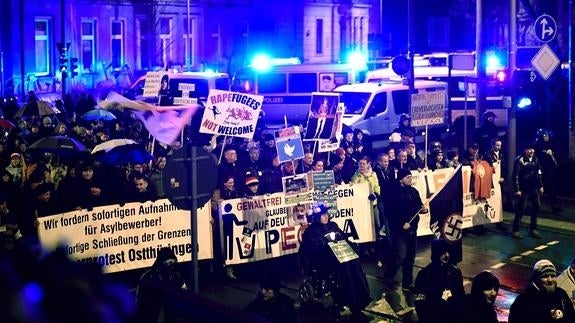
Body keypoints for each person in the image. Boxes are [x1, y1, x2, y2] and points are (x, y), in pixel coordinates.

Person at [299, 203, 371, 316]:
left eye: (327, 214)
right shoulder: (312, 231)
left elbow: (344, 239)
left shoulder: (333, 225)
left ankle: (363, 296)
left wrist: (354, 246)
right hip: (323, 261)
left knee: (355, 262)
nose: (326, 216)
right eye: (323, 215)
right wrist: (327, 247)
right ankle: (351, 299)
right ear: (318, 217)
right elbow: (312, 250)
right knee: (345, 267)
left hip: (340, 256)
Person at [384, 168, 427, 291]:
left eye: (411, 177)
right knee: (400, 255)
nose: (410, 179)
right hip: (399, 230)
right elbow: (390, 212)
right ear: (401, 179)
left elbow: (419, 205)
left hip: (412, 229)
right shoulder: (394, 193)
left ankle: (407, 282)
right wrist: (402, 223)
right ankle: (389, 276)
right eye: (408, 177)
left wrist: (424, 210)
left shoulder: (413, 191)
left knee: (410, 256)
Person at [414, 239, 465, 323]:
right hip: (434, 316)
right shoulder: (425, 274)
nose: (446, 255)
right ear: (436, 253)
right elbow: (420, 303)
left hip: (453, 315)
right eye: (443, 252)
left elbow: (461, 296)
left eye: (448, 252)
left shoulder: (455, 272)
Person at [509, 259, 575, 323]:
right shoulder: (522, 301)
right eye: (545, 276)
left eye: (553, 276)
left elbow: (572, 317)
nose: (550, 280)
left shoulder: (561, 295)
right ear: (536, 278)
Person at [136, 247, 188, 323]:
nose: (171, 266)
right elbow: (140, 300)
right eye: (169, 263)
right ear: (162, 262)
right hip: (152, 314)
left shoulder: (176, 275)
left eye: (173, 262)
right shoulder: (149, 276)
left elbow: (185, 293)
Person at [511, 142, 544, 239]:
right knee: (521, 209)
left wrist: (541, 186)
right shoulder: (519, 160)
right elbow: (515, 175)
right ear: (525, 150)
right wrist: (517, 189)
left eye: (532, 149)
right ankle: (515, 230)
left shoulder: (536, 160)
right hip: (523, 188)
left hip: (533, 188)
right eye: (529, 149)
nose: (531, 151)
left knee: (537, 207)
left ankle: (533, 229)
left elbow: (539, 173)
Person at [535, 128, 562, 214]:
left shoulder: (552, 144)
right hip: (541, 169)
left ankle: (555, 206)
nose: (546, 137)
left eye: (547, 136)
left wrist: (552, 152)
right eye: (544, 136)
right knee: (537, 188)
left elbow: (558, 154)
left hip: (550, 170)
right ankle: (536, 206)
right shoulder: (537, 145)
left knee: (552, 187)